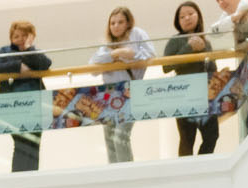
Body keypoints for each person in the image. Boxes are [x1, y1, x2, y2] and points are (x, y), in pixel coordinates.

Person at [92, 7, 153, 162]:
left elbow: (150, 55)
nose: (116, 26)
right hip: (108, 94)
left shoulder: (137, 33)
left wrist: (130, 54)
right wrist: (117, 53)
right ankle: (114, 172)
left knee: (120, 136)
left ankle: (128, 172)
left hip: (130, 91)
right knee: (110, 138)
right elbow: (93, 66)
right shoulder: (107, 44)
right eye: (112, 23)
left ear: (128, 23)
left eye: (120, 22)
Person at [0, 20, 52, 172]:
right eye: (16, 36)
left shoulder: (34, 52)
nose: (20, 39)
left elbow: (46, 64)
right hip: (12, 105)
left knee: (34, 144)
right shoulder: (4, 51)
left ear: (31, 36)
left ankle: (32, 179)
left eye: (24, 36)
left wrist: (28, 49)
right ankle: (18, 179)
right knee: (20, 144)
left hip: (36, 105)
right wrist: (17, 66)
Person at [164, 2, 219, 155]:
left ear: (198, 16)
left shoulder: (206, 41)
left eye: (190, 14)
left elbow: (212, 67)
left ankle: (201, 165)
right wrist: (189, 48)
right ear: (178, 22)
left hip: (206, 96)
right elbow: (165, 67)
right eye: (182, 17)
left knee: (212, 135)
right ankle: (186, 169)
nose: (187, 18)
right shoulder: (175, 40)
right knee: (187, 139)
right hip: (184, 95)